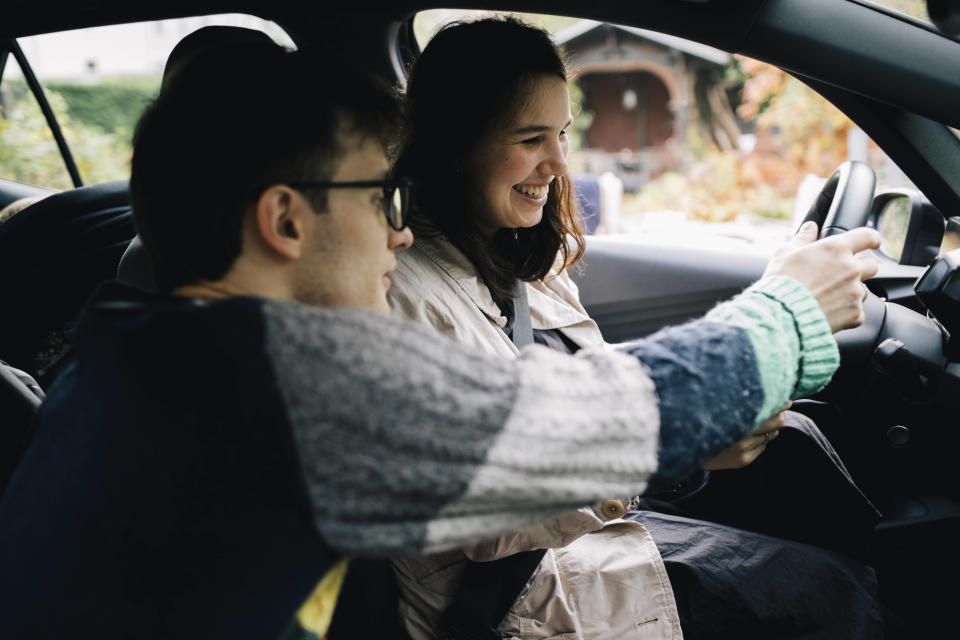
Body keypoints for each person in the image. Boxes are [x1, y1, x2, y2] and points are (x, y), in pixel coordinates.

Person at [0, 39, 878, 640]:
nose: (403, 231)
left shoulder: (128, 348)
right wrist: (790, 310)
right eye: (382, 198)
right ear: (284, 219)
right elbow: (594, 420)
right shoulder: (277, 384)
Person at [387, 16, 884, 640]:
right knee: (819, 590)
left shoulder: (515, 255)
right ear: (454, 145)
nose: (559, 164)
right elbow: (477, 495)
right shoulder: (401, 291)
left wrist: (691, 437)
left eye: (563, 134)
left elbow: (575, 382)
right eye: (531, 138)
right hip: (511, 591)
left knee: (797, 454)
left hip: (577, 521)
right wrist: (664, 450)